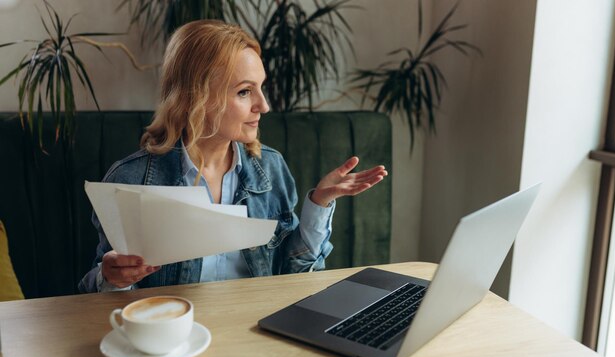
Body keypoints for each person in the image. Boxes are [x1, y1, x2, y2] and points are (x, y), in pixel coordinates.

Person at [78, 20, 387, 293]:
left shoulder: (271, 168)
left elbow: (292, 276)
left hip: (255, 332)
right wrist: (112, 277)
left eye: (260, 88)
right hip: (177, 341)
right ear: (196, 97)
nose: (264, 106)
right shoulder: (130, 181)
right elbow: (103, 296)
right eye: (244, 92)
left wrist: (319, 203)